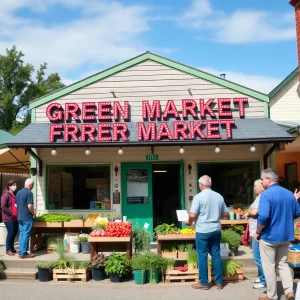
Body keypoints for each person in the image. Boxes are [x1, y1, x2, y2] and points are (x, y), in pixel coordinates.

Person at [255, 168, 300, 300]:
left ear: (269, 180)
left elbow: (263, 217)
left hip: (269, 236)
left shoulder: (266, 195)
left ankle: (272, 296)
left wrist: (258, 231)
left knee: (269, 267)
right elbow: (297, 212)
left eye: (262, 179)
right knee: (283, 264)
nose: (261, 182)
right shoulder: (289, 194)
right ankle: (289, 293)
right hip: (285, 236)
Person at [185, 175, 229, 290]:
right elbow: (226, 213)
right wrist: (215, 216)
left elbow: (192, 215)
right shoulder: (219, 196)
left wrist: (189, 222)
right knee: (216, 255)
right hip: (215, 229)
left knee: (202, 256)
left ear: (201, 184)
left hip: (202, 230)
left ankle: (204, 283)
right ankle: (219, 282)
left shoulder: (198, 197)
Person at [245, 179, 266, 289]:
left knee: (257, 257)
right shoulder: (258, 198)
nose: (254, 189)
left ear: (260, 187)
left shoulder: (262, 198)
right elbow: (251, 210)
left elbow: (254, 212)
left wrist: (249, 211)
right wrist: (250, 211)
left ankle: (264, 280)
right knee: (258, 257)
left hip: (257, 232)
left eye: (255, 187)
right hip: (255, 230)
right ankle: (261, 276)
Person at [16, 178, 36, 259]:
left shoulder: (19, 193)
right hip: (27, 217)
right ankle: (24, 253)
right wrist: (33, 213)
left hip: (20, 216)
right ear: (31, 185)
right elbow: (30, 205)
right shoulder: (29, 193)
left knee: (22, 234)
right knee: (26, 234)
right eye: (33, 185)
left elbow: (16, 205)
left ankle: (21, 251)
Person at [1, 180, 18, 256]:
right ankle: (8, 250)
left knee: (14, 233)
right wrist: (11, 214)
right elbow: (3, 206)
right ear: (9, 186)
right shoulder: (5, 194)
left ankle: (12, 248)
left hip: (15, 217)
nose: (15, 186)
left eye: (15, 185)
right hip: (8, 218)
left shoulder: (14, 194)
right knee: (10, 233)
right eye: (13, 185)